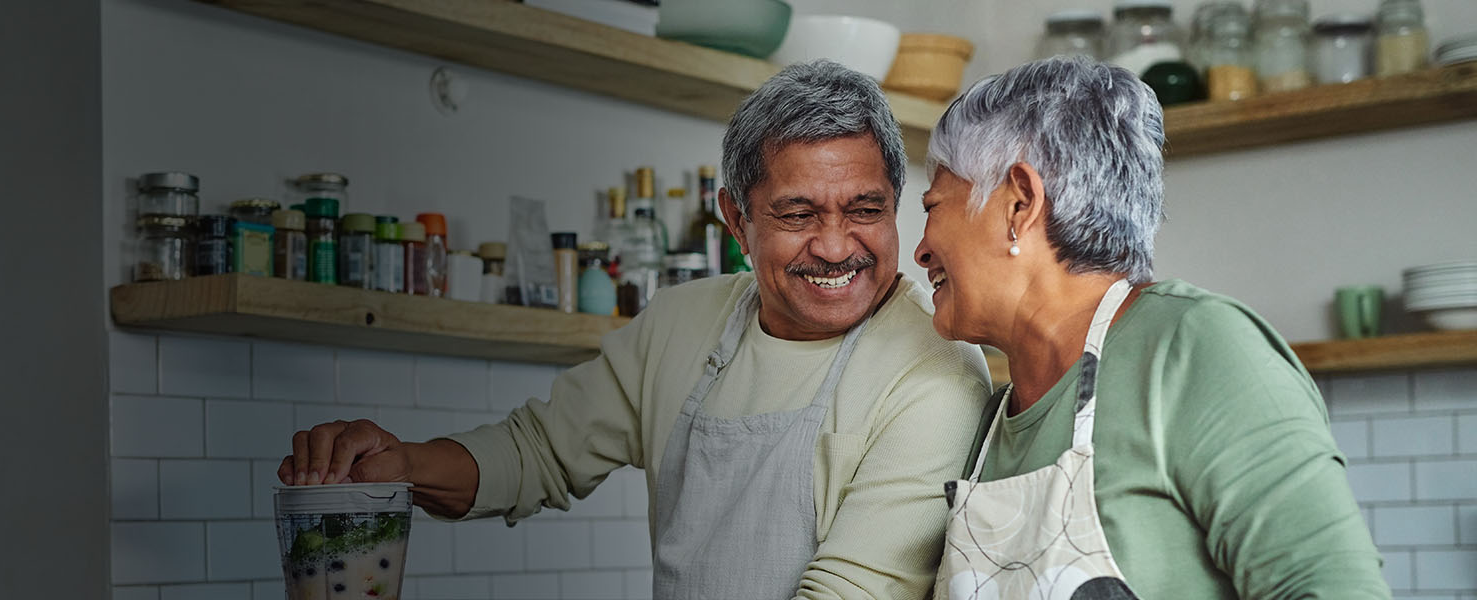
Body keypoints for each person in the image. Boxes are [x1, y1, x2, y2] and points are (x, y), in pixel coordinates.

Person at [282, 60, 993, 600]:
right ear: (736, 221)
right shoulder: (683, 323)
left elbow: (852, 592)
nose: (836, 247)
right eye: (798, 215)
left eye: (865, 210)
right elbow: (539, 453)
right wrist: (401, 465)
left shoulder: (936, 371)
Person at [914, 56, 1389, 599]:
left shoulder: (1195, 347)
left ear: (1020, 202)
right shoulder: (990, 421)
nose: (922, 248)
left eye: (933, 207)